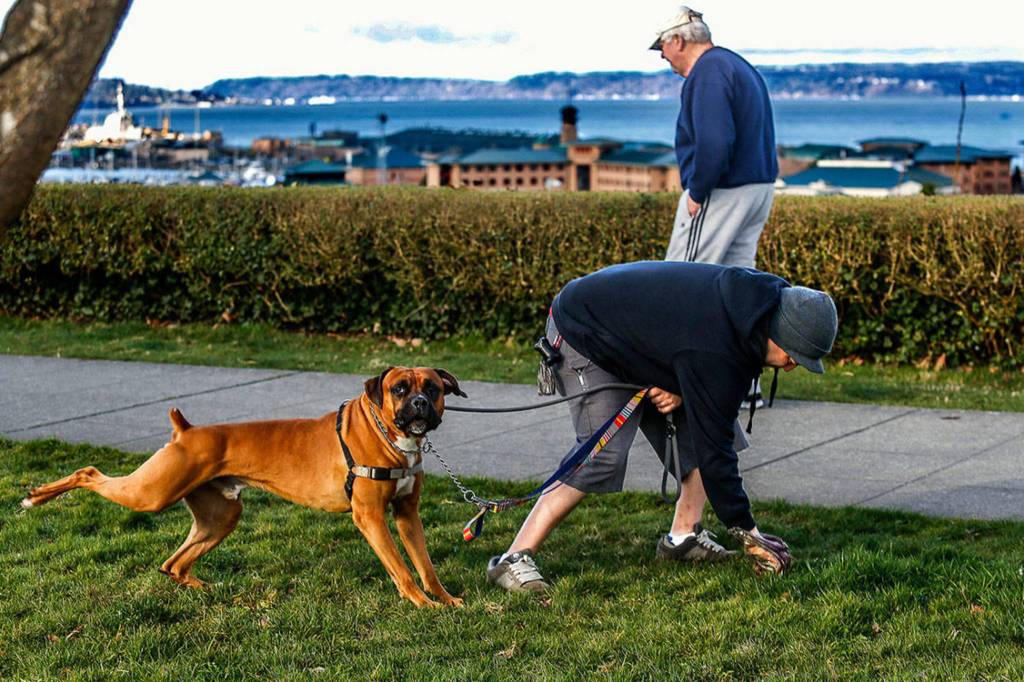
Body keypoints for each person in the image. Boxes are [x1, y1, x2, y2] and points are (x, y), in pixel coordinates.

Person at [486, 261, 837, 592]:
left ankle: (682, 539)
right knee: (602, 453)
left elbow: (685, 345)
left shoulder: (760, 307)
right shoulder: (719, 346)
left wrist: (679, 382)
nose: (791, 366)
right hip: (584, 329)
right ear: (777, 331)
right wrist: (748, 532)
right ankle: (512, 559)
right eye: (793, 354)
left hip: (635, 336)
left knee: (720, 429)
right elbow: (713, 448)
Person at [653, 7, 780, 407]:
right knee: (742, 289)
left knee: (683, 282)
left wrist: (697, 190)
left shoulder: (706, 72)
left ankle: (674, 382)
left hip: (721, 190)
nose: (661, 56)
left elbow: (714, 141)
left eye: (661, 47)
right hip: (758, 186)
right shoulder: (737, 65)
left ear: (678, 40)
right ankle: (745, 384)